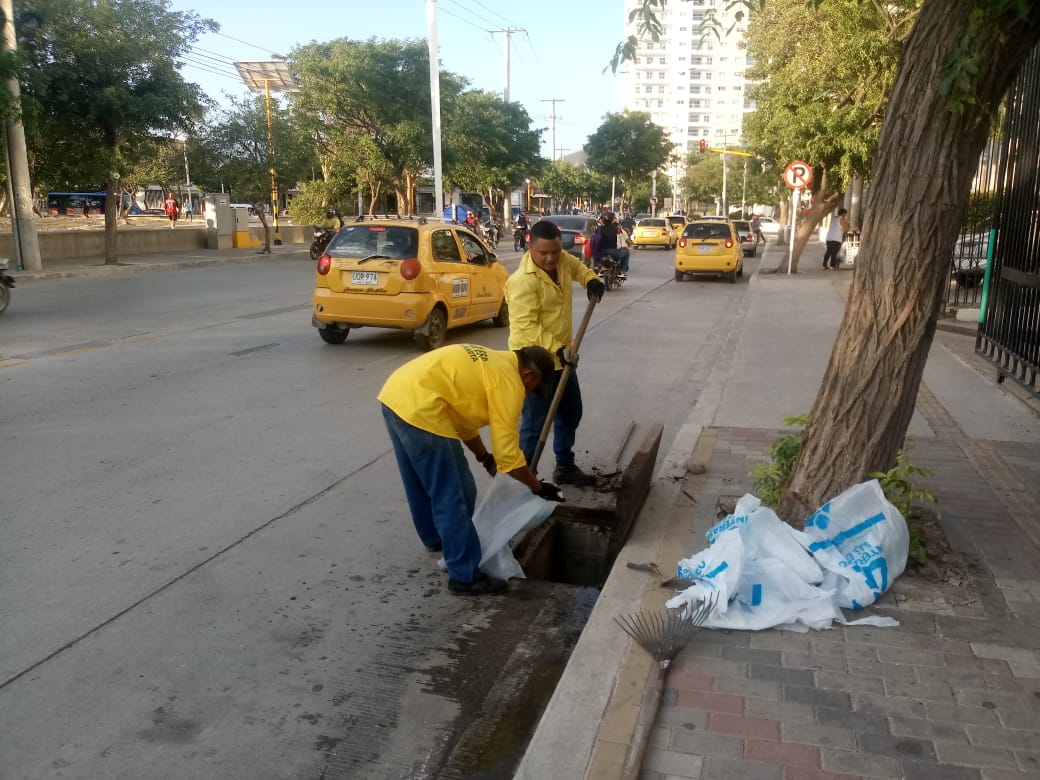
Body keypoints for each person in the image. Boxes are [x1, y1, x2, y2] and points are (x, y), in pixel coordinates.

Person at [378, 343, 563, 596]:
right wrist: (537, 487)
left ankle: (436, 538)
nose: (530, 395)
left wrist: (483, 457)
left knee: (420, 480)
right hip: (423, 409)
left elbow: (463, 420)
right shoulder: (509, 383)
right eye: (534, 390)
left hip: (395, 396)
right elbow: (508, 457)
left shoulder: (493, 362)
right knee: (455, 493)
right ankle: (464, 576)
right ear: (528, 375)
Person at [506, 219, 606, 487]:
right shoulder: (522, 282)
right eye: (544, 253)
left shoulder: (562, 262)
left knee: (571, 412)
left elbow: (576, 266)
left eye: (555, 251)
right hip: (534, 363)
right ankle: (523, 480)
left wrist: (591, 280)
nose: (551, 258)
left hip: (563, 358)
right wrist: (557, 348)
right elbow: (526, 327)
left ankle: (564, 466)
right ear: (530, 248)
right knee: (534, 425)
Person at [593, 212, 631, 277]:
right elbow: (624, 239)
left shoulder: (599, 229)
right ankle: (622, 271)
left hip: (602, 251)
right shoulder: (617, 228)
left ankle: (600, 269)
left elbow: (594, 239)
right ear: (612, 220)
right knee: (626, 253)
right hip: (614, 251)